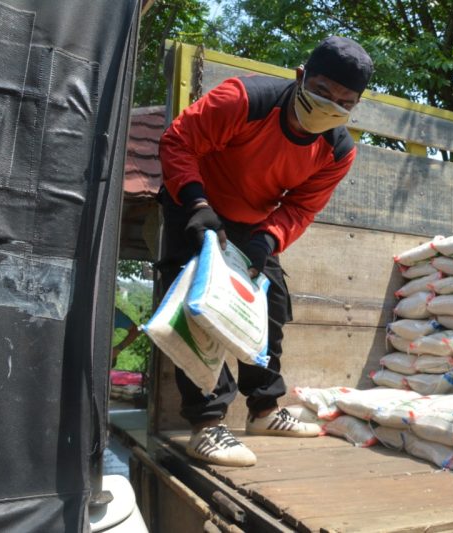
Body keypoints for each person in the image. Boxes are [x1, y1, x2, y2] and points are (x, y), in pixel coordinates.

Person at [157, 36, 373, 467]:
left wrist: (268, 240)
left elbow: (301, 207)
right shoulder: (244, 100)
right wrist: (197, 204)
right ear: (300, 76)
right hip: (196, 203)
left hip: (254, 223)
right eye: (322, 92)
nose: (331, 106)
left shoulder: (337, 151)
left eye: (344, 103)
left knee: (270, 303)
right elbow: (178, 142)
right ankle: (206, 423)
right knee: (197, 307)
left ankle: (264, 411)